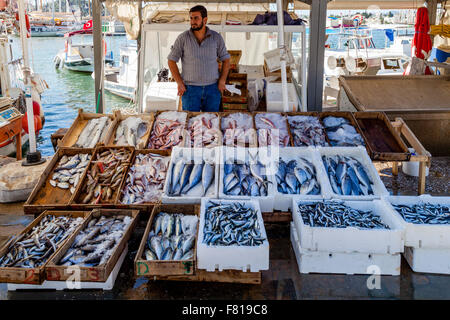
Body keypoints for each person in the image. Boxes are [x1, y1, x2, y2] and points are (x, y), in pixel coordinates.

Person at [167, 5, 231, 112]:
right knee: (191, 123)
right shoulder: (183, 38)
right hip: (190, 90)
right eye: (191, 18)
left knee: (211, 122)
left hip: (212, 89)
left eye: (196, 18)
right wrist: (179, 83)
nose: (192, 21)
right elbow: (171, 61)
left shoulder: (216, 37)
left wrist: (222, 81)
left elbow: (226, 59)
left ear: (205, 20)